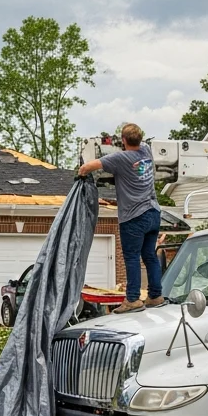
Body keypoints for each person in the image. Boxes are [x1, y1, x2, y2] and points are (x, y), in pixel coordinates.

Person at [78, 122, 163, 313]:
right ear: (140, 139)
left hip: (134, 217)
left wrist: (81, 173)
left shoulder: (120, 158)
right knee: (149, 256)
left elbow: (89, 166)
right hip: (153, 213)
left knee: (132, 257)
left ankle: (132, 299)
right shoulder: (147, 152)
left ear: (123, 140)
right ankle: (155, 296)